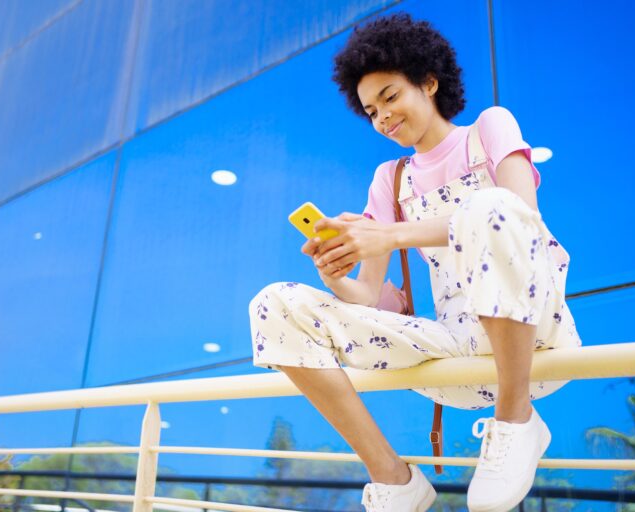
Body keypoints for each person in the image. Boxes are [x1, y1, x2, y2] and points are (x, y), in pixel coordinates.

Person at [248, 12, 582, 512]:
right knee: (272, 305)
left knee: (490, 207)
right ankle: (394, 478)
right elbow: (370, 298)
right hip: (454, 353)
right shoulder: (389, 179)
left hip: (533, 339)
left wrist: (388, 232)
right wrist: (335, 273)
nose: (382, 118)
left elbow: (522, 215)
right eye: (371, 111)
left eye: (390, 97)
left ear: (429, 82)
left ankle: (517, 421)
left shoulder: (490, 127)